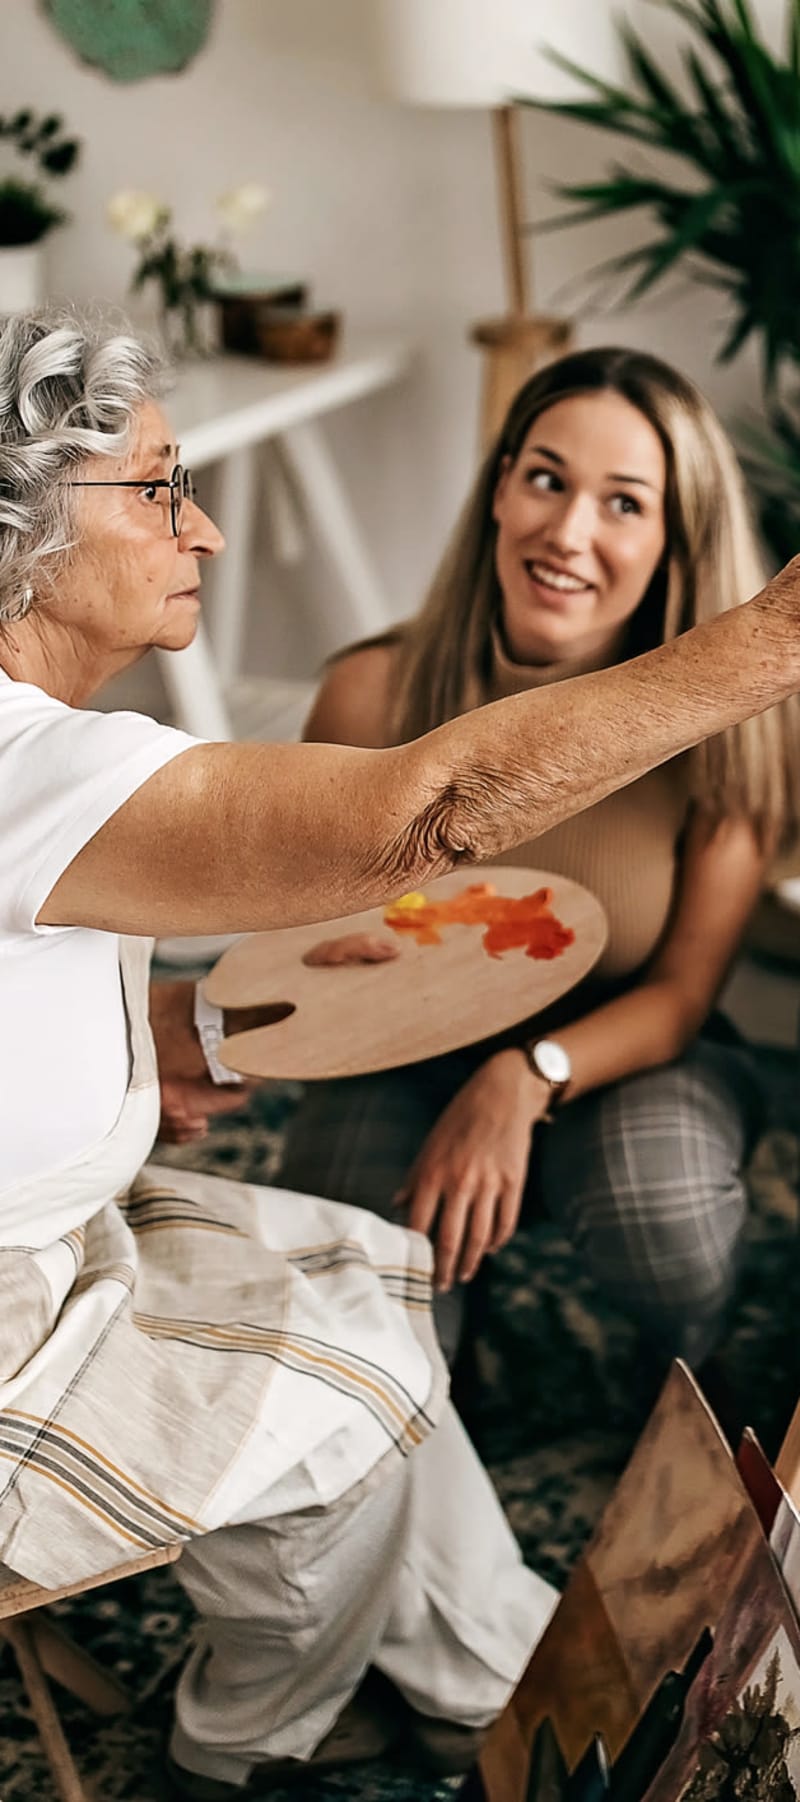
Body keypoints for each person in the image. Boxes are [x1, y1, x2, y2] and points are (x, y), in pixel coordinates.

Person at [0, 312, 799, 1800]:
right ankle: (240, 1744)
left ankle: (498, 1688)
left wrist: (153, 1037)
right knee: (358, 1375)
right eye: (165, 486)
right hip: (14, 1312)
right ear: (30, 530)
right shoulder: (41, 759)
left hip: (64, 1228)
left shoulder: (44, 748)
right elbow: (422, 818)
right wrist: (775, 640)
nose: (211, 527)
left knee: (376, 1276)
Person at [280, 346, 800, 1372]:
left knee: (662, 1218)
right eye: (546, 479)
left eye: (622, 504)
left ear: (673, 541)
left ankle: (678, 1356)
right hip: (401, 1046)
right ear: (498, 488)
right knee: (344, 1266)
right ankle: (444, 1365)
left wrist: (524, 1075)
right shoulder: (367, 695)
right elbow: (297, 939)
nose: (566, 532)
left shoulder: (729, 738)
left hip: (623, 1046)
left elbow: (683, 994)